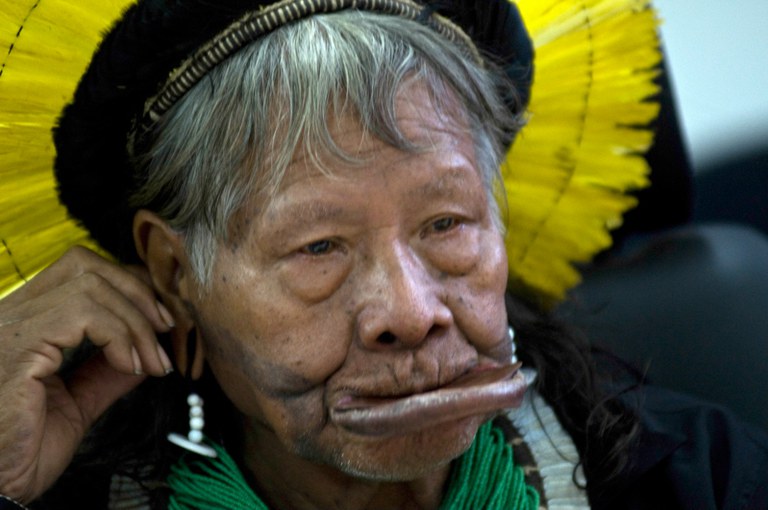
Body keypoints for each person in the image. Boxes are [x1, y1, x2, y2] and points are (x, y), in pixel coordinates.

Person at [0, 1, 767, 509]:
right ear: (173, 271)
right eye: (319, 247)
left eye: (446, 224)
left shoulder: (688, 480)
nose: (410, 313)